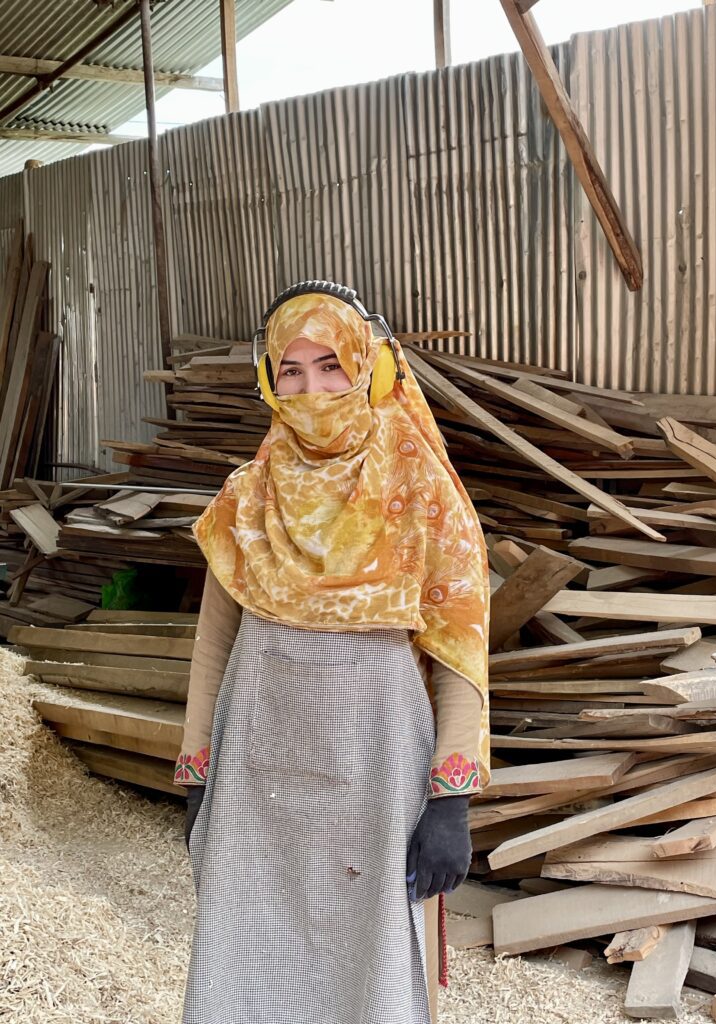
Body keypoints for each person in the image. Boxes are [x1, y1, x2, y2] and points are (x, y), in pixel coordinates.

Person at [174, 282, 490, 1024]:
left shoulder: (422, 494)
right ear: (267, 381)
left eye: (330, 366)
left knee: (368, 966)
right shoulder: (246, 497)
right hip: (258, 772)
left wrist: (451, 799)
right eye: (290, 370)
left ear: (368, 370)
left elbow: (459, 649)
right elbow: (213, 642)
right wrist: (196, 771)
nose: (311, 388)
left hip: (375, 770)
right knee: (251, 958)